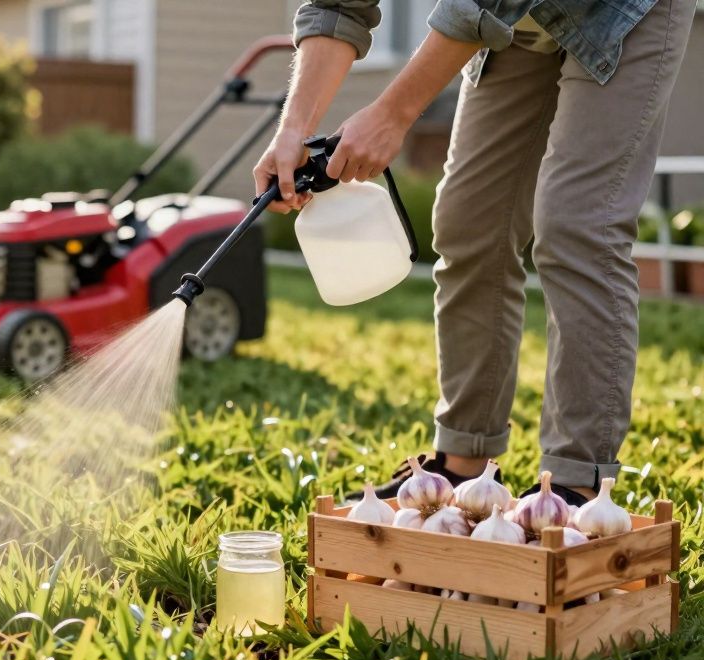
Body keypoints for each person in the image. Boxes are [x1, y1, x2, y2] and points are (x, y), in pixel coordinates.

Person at [255, 0, 692, 503]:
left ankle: (577, 484)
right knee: (470, 222)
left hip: (623, 11)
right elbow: (337, 7)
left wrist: (393, 114)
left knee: (576, 225)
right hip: (514, 21)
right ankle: (464, 461)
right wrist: (292, 130)